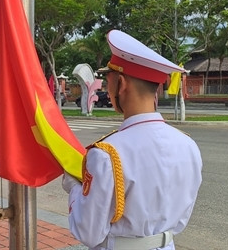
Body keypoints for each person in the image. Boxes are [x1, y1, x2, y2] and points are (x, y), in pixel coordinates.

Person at [62, 30, 203, 250]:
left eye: (109, 81)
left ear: (122, 84)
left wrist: (73, 188)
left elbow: (88, 232)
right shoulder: (188, 146)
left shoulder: (106, 154)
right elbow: (181, 219)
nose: (107, 91)